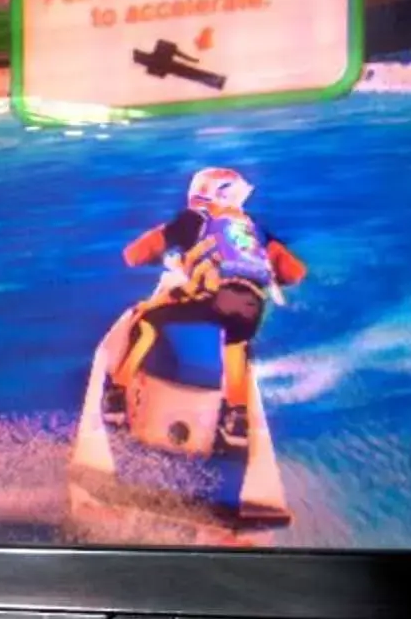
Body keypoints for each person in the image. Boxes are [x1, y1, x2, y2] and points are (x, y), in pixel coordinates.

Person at [105, 165, 310, 451]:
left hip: (217, 299)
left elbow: (134, 255)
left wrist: (156, 250)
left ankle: (115, 395)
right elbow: (296, 272)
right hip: (252, 306)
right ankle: (237, 417)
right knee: (236, 345)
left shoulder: (195, 219)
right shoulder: (254, 229)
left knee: (147, 320)